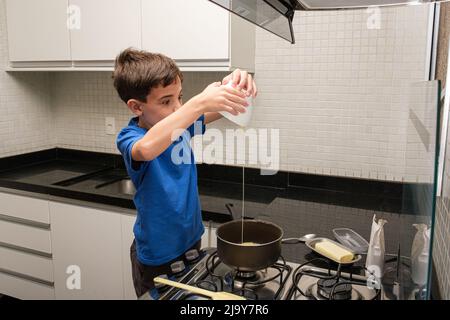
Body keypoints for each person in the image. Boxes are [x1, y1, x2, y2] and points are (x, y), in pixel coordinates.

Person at [113, 48, 257, 297]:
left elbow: (221, 108)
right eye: (166, 101)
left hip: (191, 242)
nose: (178, 107)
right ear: (136, 107)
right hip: (157, 255)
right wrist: (197, 103)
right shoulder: (131, 137)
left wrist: (234, 85)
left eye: (180, 97)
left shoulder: (180, 127)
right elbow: (146, 149)